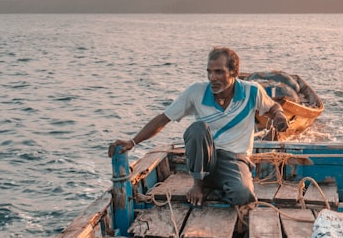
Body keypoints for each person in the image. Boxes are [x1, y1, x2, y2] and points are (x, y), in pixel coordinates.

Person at [108, 46, 289, 207]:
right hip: (204, 158)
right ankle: (198, 184)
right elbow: (163, 118)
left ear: (234, 72)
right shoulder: (196, 91)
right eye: (209, 72)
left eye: (219, 72)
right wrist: (133, 142)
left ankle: (217, 184)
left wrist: (279, 116)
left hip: (235, 159)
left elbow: (272, 107)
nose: (212, 78)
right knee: (198, 128)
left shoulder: (252, 91)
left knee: (244, 196)